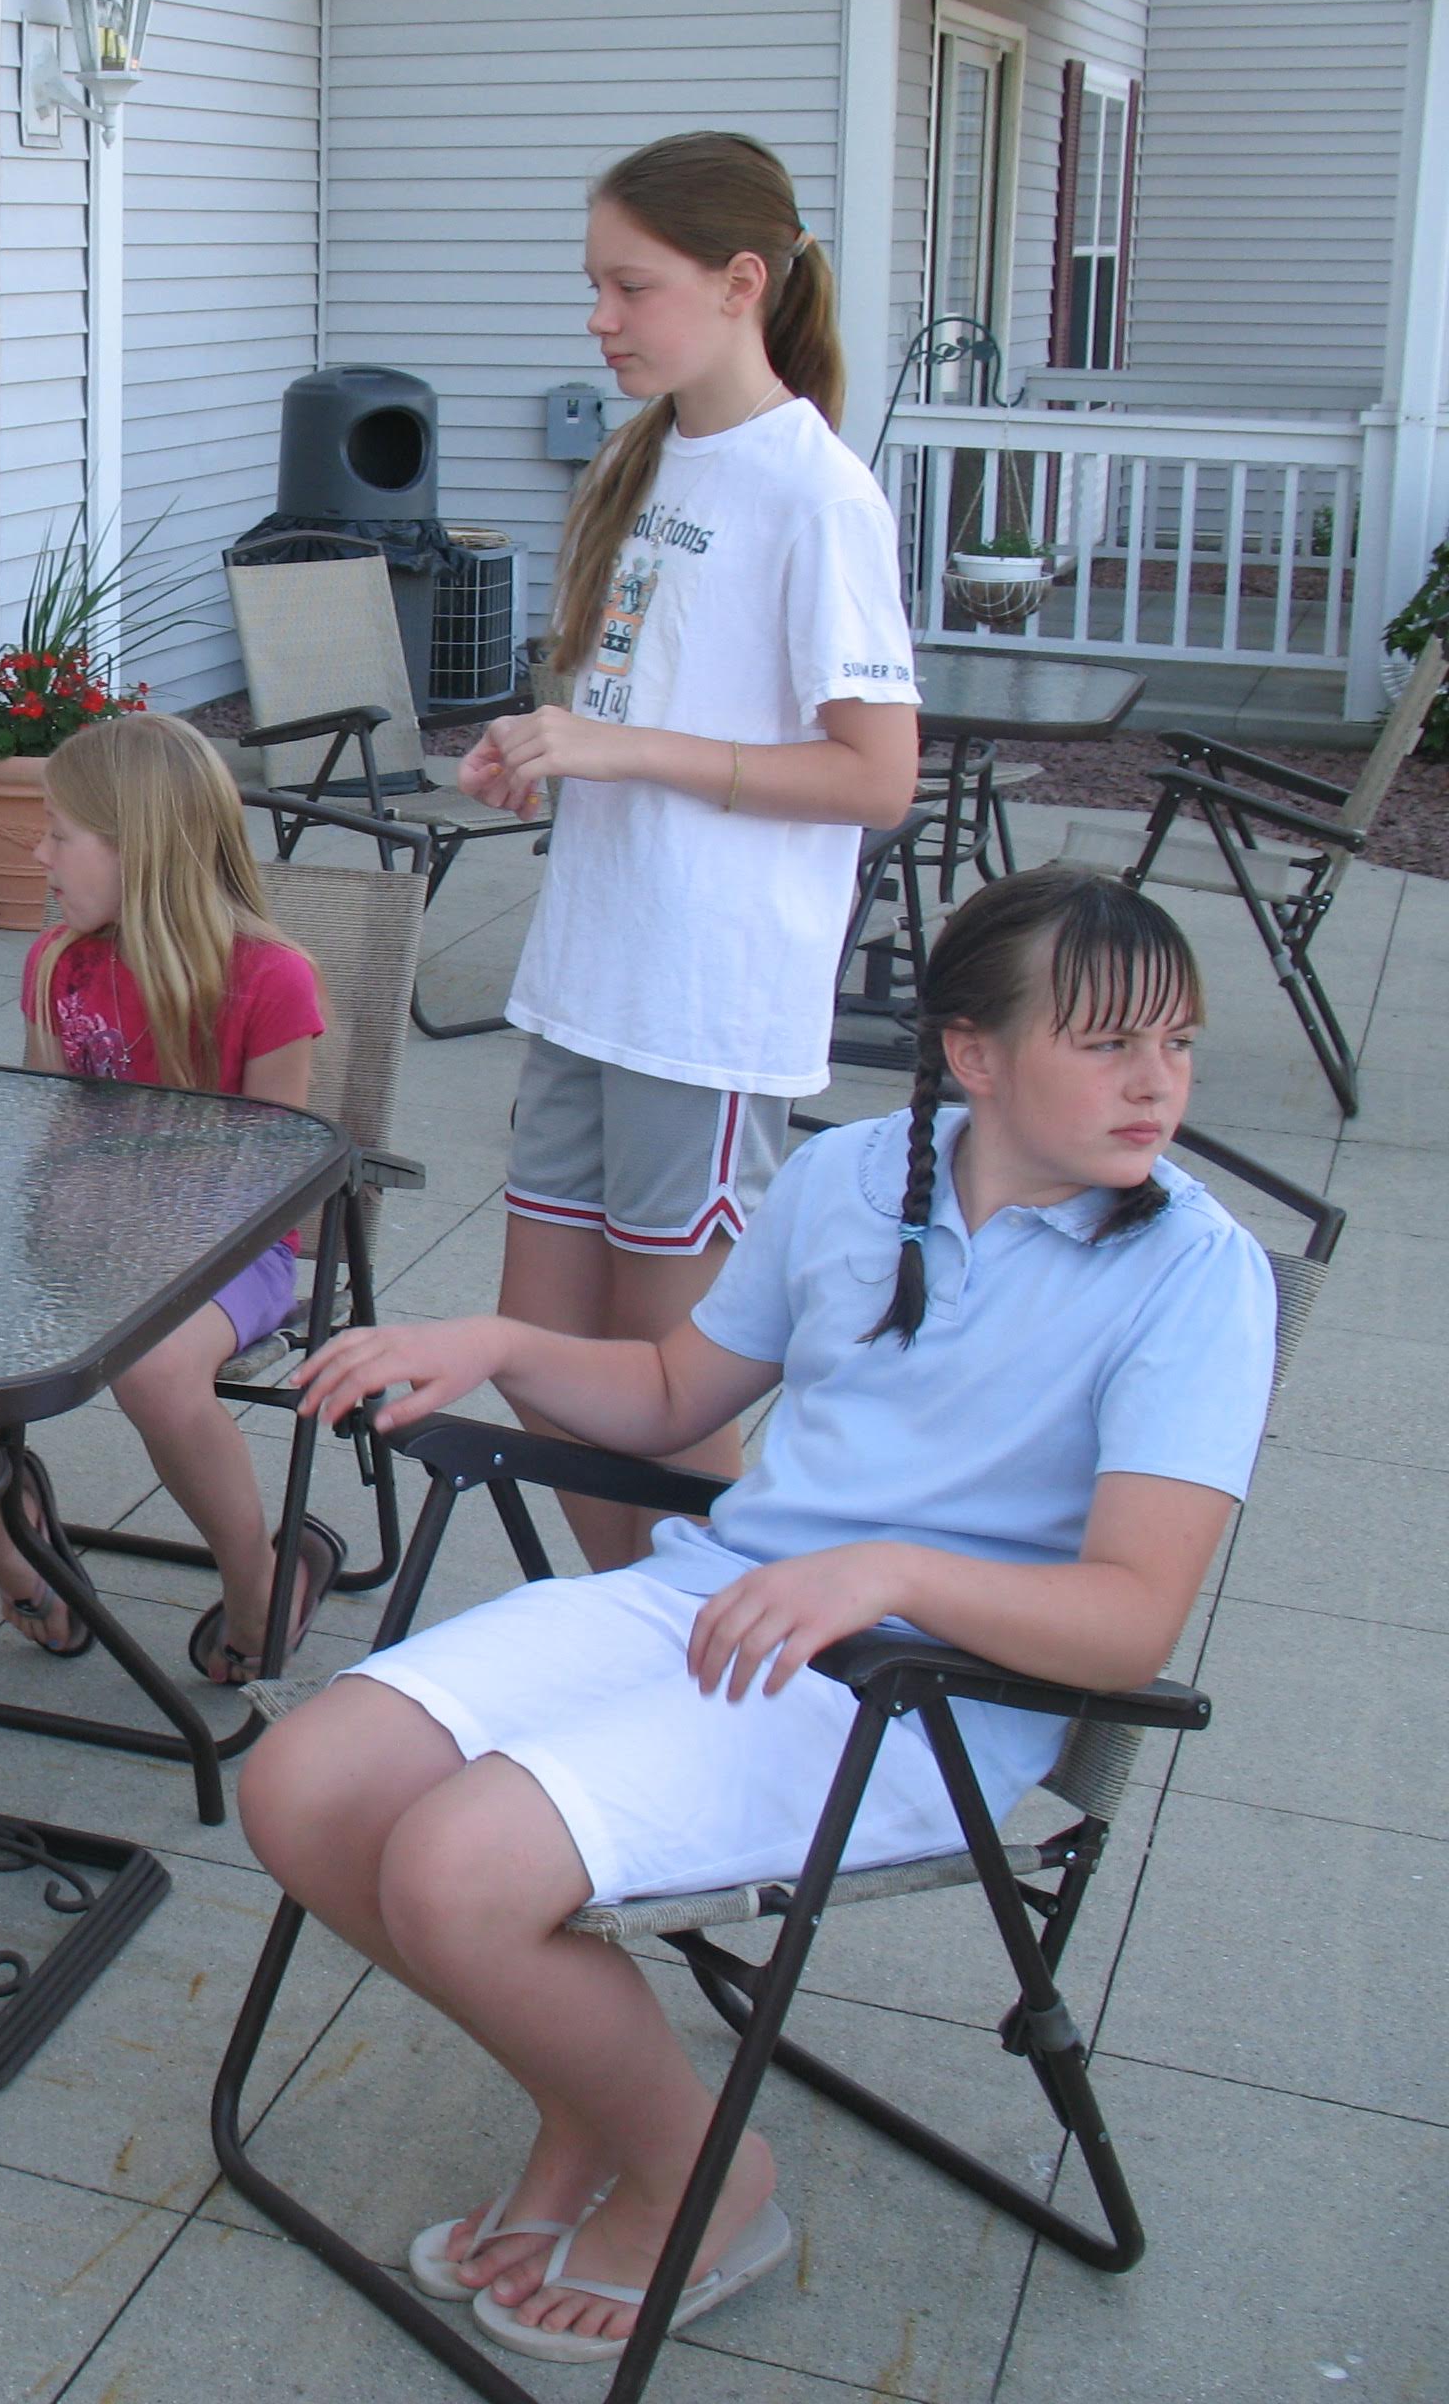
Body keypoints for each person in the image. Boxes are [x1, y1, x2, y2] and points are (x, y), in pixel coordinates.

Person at [252, 869, 1273, 2369]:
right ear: (974, 1054)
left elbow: (1129, 1624)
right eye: (1111, 1042)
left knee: (458, 1868)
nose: (1156, 1084)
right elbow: (677, 1397)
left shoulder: (1195, 1274)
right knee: (302, 1788)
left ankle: (706, 2175)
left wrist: (893, 1574)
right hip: (727, 1601)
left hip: (927, 1695)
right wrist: (498, 1342)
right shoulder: (862, 1176)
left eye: (1176, 1044)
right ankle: (590, 2106)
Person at [458, 131, 921, 1568]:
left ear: (741, 285)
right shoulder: (645, 458)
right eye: (594, 285)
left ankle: (718, 1678)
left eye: (628, 287)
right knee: (543, 1365)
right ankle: (640, 1637)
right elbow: (648, 702)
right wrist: (550, 744)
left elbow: (876, 775)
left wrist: (622, 751)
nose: (598, 319)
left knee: (669, 1398)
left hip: (707, 1010)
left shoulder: (817, 494)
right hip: (594, 978)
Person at [0, 712, 337, 1683]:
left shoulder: (270, 979)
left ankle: (257, 1584)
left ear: (140, 846)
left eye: (61, 834)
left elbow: (280, 1173)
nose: (39, 852)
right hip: (84, 1237)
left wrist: (139, 1223)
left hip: (229, 1252)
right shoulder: (59, 962)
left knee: (153, 1371)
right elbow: (43, 1131)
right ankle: (17, 1556)